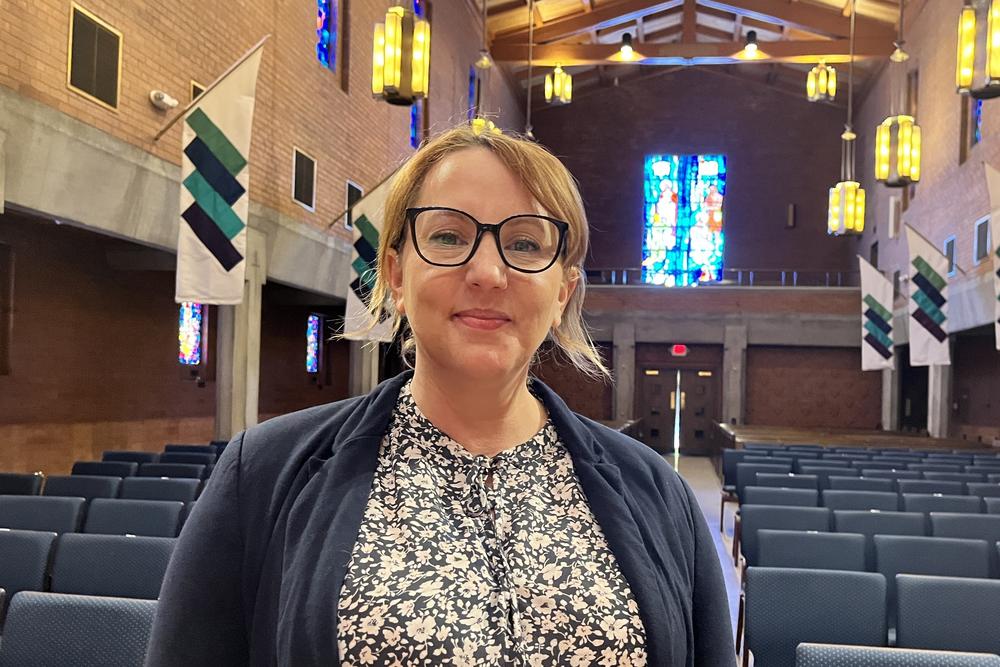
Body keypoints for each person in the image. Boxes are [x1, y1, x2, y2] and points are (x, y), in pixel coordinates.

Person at [146, 124, 735, 666]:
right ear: (397, 276)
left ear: (563, 291)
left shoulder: (658, 494)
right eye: (449, 236)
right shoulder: (264, 472)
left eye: (527, 245)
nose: (487, 272)